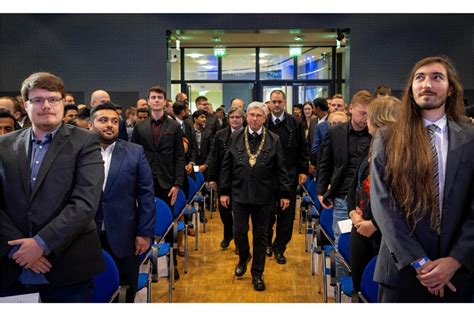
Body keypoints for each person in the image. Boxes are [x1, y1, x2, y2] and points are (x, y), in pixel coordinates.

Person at [371, 56, 474, 302]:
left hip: (457, 274)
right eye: (420, 78)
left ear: (450, 89)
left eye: (437, 77)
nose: (427, 84)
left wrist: (454, 260)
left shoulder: (470, 138)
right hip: (401, 271)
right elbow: (383, 204)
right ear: (411, 87)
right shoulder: (387, 137)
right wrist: (420, 262)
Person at [0, 72, 105, 302]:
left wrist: (40, 244)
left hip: (67, 268)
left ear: (62, 102)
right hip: (10, 268)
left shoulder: (86, 142)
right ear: (25, 105)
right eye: (37, 100)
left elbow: (85, 203)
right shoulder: (4, 145)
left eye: (53, 99)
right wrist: (18, 250)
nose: (46, 105)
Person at [220, 102, 291, 292]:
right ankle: (244, 256)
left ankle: (257, 273)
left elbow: (281, 168)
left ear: (264, 118)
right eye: (251, 115)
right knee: (239, 231)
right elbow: (227, 166)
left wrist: (285, 193)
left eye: (259, 115)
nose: (255, 118)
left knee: (261, 236)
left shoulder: (274, 139)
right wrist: (224, 191)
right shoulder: (235, 137)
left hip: (264, 195)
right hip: (239, 193)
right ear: (246, 117)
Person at [90, 103, 155, 303]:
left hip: (124, 236)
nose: (109, 125)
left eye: (114, 121)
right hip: (86, 235)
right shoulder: (78, 153)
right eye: (103, 120)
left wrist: (144, 233)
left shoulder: (134, 152)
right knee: (90, 290)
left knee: (126, 291)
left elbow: (146, 195)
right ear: (90, 125)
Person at [317, 90, 374, 283]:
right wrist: (320, 191)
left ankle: (359, 284)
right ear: (351, 109)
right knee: (342, 242)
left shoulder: (376, 134)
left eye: (369, 114)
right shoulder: (335, 132)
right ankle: (341, 287)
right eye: (362, 113)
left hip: (368, 202)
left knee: (364, 247)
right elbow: (325, 162)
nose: (365, 118)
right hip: (341, 196)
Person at [347, 96, 400, 298]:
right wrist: (353, 212)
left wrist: (373, 224)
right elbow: (356, 182)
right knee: (359, 288)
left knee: (377, 293)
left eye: (369, 116)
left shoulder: (398, 151)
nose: (365, 120)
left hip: (382, 233)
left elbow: (396, 197)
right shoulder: (372, 144)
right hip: (360, 225)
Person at [131, 85, 185, 280]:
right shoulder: (139, 127)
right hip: (143, 183)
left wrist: (178, 184)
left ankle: (172, 265)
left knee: (168, 227)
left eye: (159, 97)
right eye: (153, 97)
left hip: (167, 183)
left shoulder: (174, 127)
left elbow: (180, 157)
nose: (156, 100)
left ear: (164, 101)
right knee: (142, 225)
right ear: (148, 101)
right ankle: (145, 266)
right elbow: (133, 156)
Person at [265, 90, 309, 264]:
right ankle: (267, 243)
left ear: (285, 103)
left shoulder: (295, 123)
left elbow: (303, 149)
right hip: (267, 178)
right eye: (273, 102)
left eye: (279, 102)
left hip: (289, 176)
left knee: (286, 215)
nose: (276, 105)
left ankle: (279, 248)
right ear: (269, 103)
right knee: (267, 214)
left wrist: (303, 170)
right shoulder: (264, 122)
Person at [208, 106, 245, 250]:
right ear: (228, 119)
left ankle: (238, 240)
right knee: (224, 211)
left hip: (241, 180)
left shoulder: (248, 134)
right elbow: (214, 157)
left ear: (243, 119)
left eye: (238, 117)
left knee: (239, 212)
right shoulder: (220, 134)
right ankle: (228, 233)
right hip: (223, 179)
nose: (234, 120)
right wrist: (211, 178)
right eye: (232, 117)